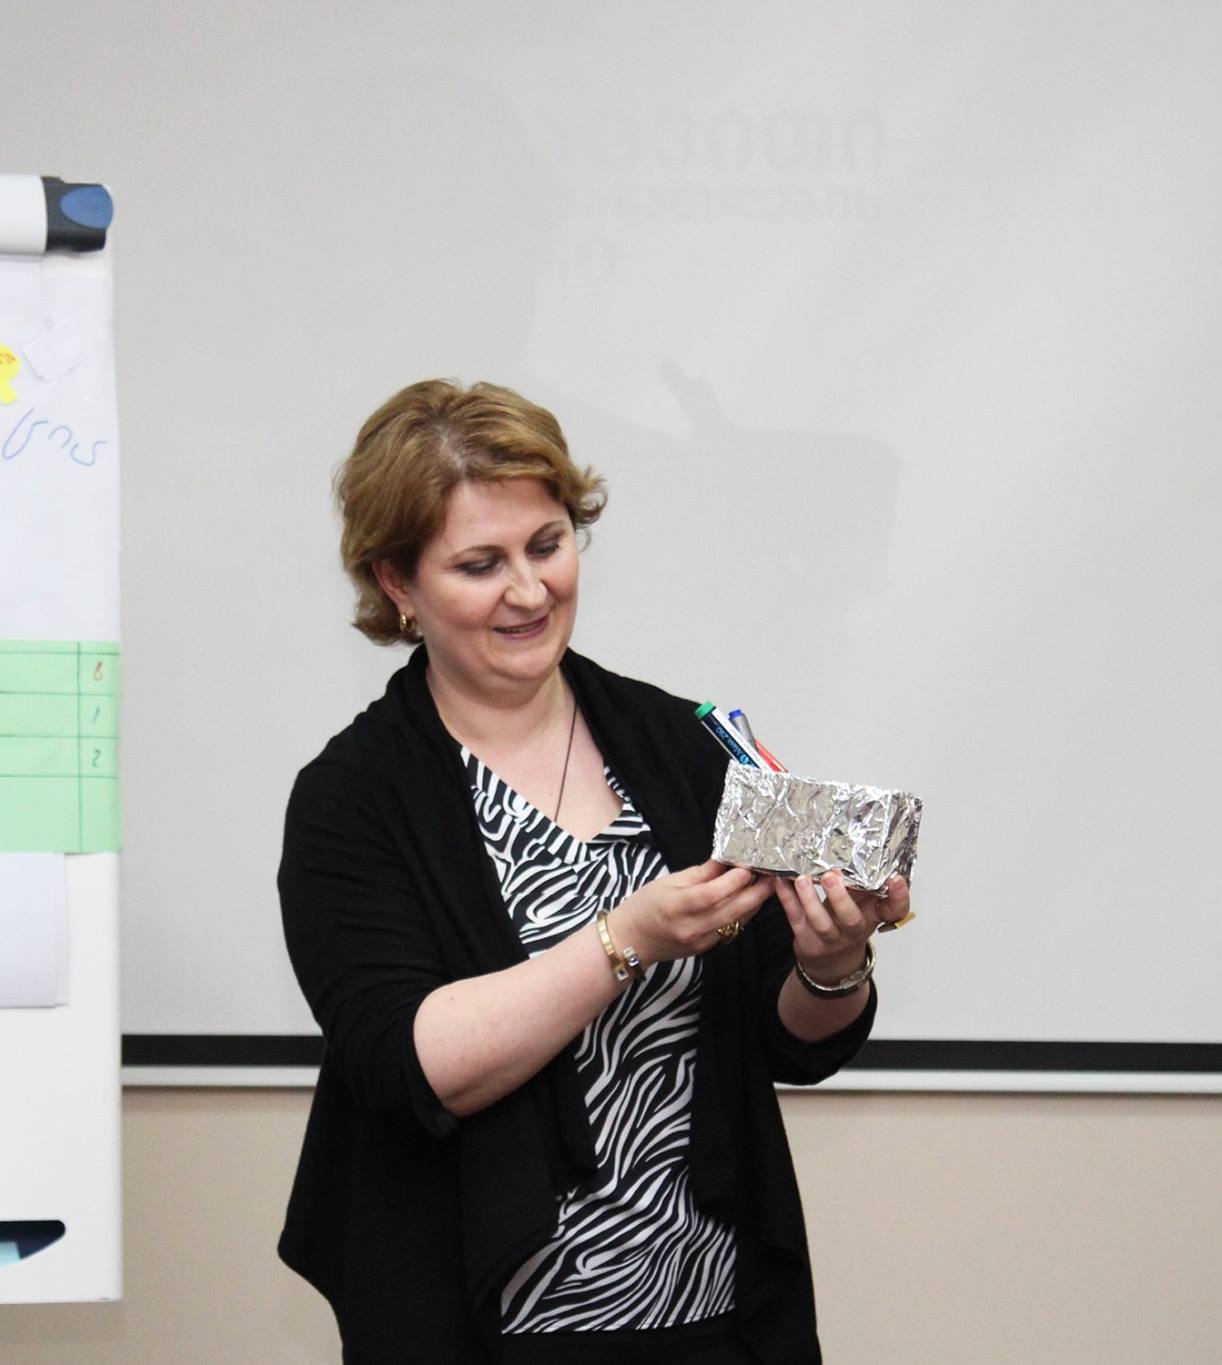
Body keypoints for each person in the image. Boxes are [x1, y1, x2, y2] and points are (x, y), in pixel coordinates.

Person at [276, 380, 910, 1364]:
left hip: (714, 1314)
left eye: (547, 545)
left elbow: (787, 1040)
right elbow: (409, 1064)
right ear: (397, 581)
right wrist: (627, 938)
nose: (530, 592)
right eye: (480, 564)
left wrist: (832, 964)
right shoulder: (352, 798)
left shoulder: (681, 743)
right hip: (478, 1328)